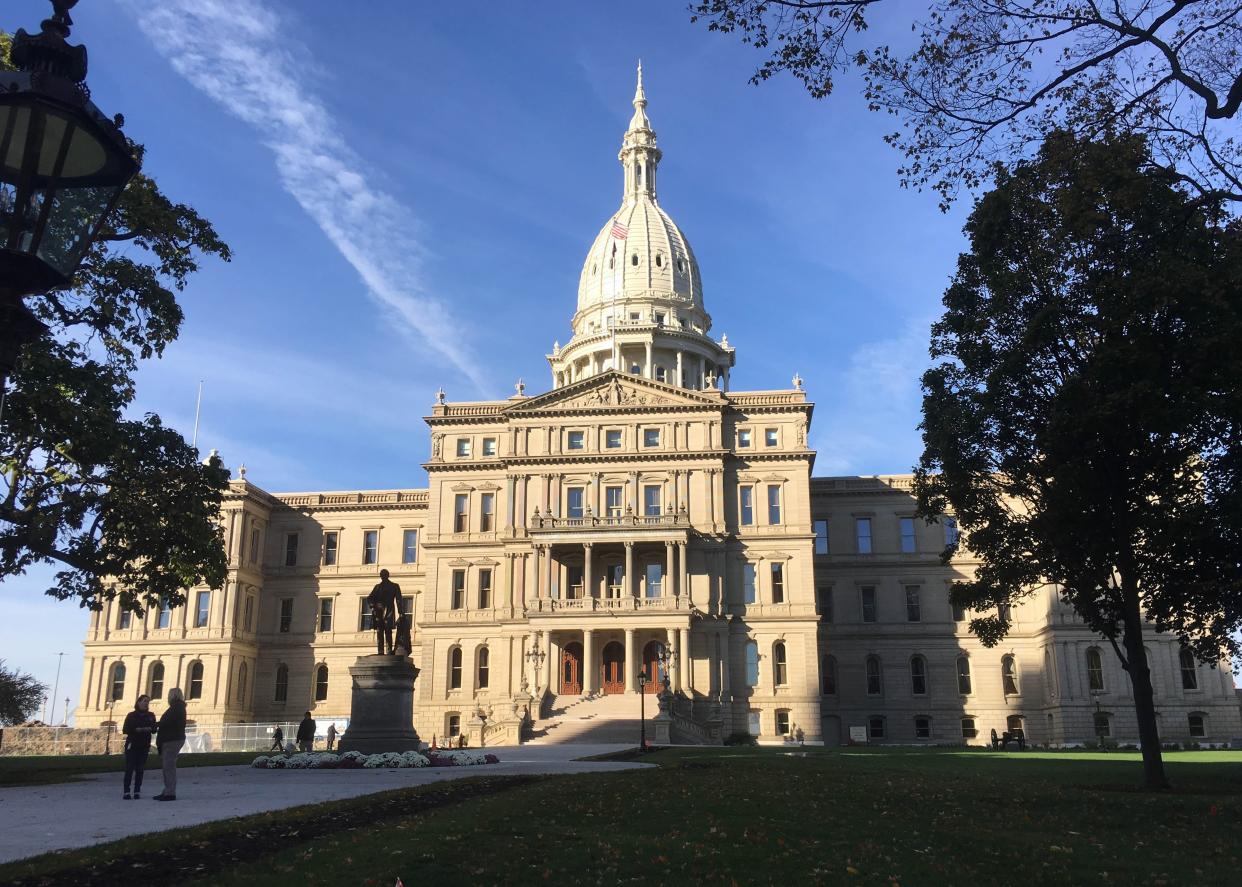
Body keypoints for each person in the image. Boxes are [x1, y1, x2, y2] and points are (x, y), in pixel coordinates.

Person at [153, 687, 186, 802]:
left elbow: (168, 723)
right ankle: (167, 790)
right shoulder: (178, 708)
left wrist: (156, 724)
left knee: (169, 767)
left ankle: (170, 792)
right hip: (174, 739)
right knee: (168, 767)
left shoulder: (176, 708)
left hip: (172, 740)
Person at [121, 694, 157, 799]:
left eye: (148, 702)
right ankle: (126, 791)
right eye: (144, 701)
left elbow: (154, 729)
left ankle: (137, 790)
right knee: (129, 768)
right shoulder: (131, 715)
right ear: (139, 702)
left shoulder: (151, 715)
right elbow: (126, 729)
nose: (146, 703)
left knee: (140, 769)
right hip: (132, 744)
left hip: (144, 745)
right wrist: (137, 730)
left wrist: (148, 729)